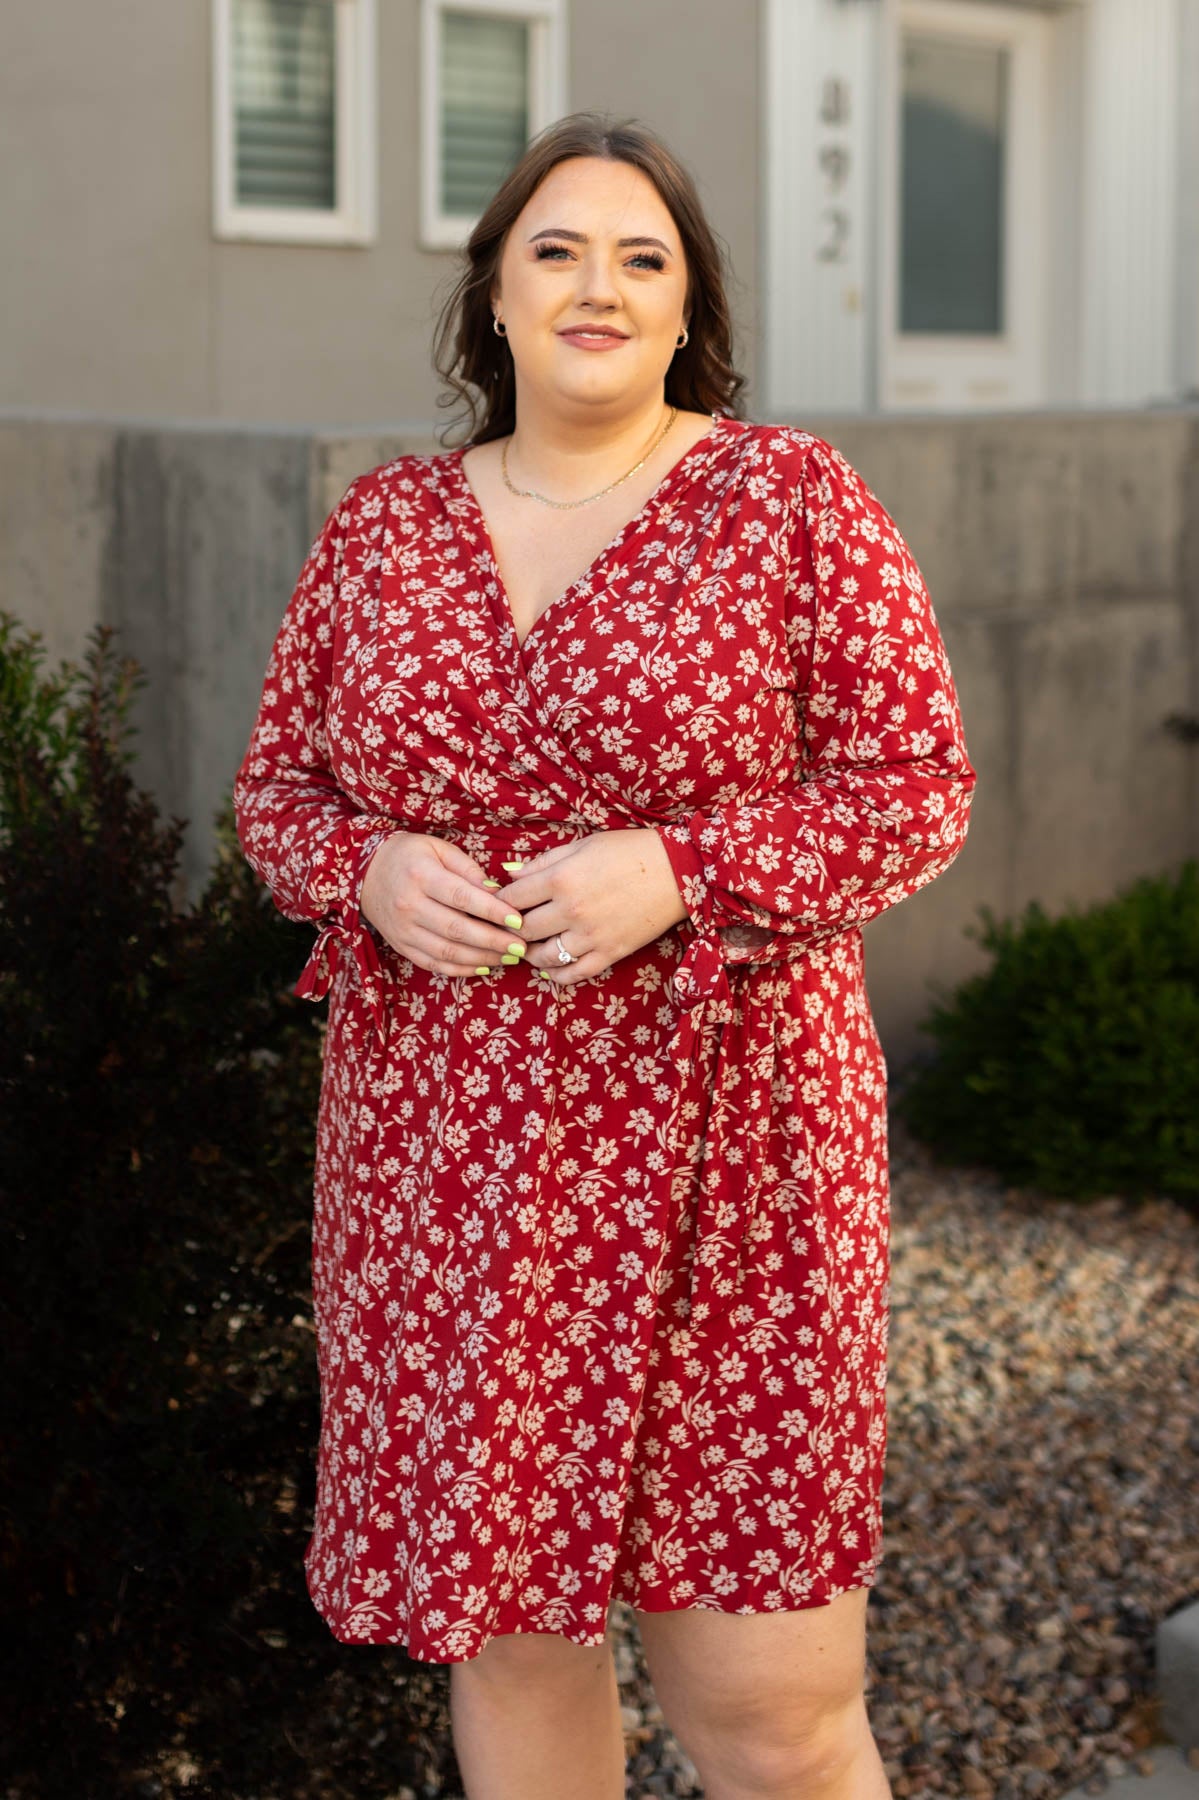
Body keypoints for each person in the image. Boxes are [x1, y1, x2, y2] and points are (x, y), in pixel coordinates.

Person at [232, 109, 976, 1800]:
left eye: (644, 258)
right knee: (518, 1672)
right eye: (557, 249)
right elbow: (276, 795)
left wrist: (685, 865)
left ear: (687, 305)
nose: (598, 285)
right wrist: (370, 867)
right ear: (493, 296)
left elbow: (922, 791)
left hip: (736, 1169)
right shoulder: (383, 531)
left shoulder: (790, 503)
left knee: (772, 1716)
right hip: (450, 1189)